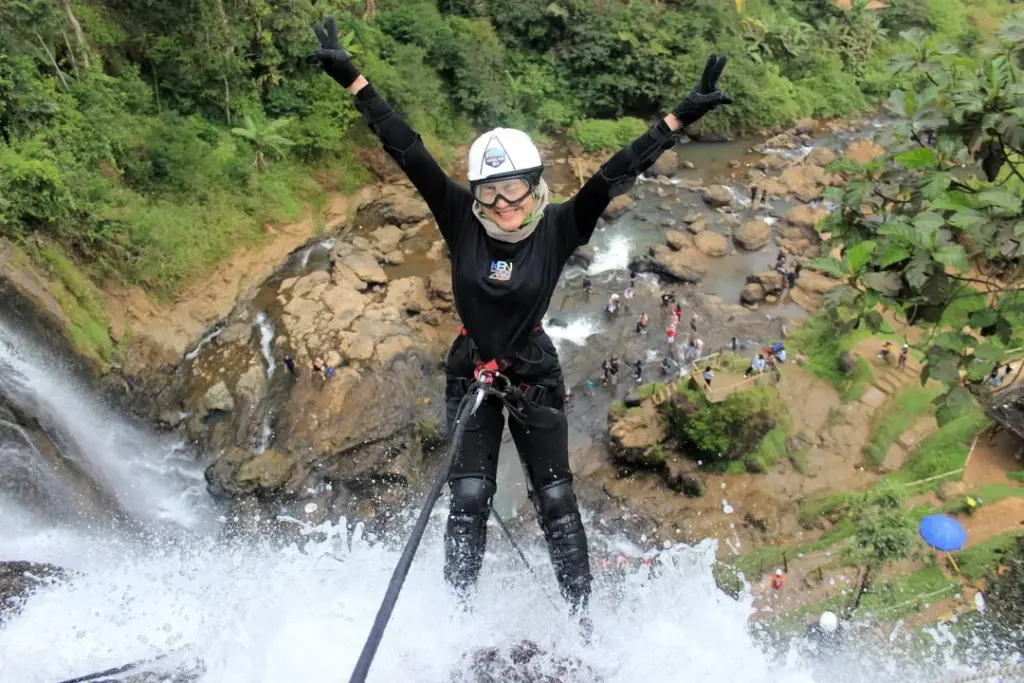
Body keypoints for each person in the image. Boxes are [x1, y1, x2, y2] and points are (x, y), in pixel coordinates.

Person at [312, 16, 731, 615]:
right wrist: (354, 80)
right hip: (471, 368)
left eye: (515, 191)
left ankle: (582, 622)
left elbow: (617, 171)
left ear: (536, 186)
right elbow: (407, 148)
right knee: (470, 497)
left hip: (532, 370)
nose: (504, 207)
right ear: (476, 193)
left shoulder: (561, 224)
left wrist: (677, 119)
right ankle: (456, 621)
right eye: (491, 194)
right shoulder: (459, 216)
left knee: (556, 500)